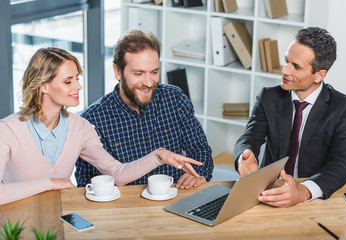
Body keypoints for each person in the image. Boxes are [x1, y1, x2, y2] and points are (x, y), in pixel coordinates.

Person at [0, 47, 204, 205]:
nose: (78, 86)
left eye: (77, 79)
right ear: (44, 85)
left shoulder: (81, 128)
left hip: (60, 216)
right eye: (68, 81)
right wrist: (49, 184)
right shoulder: (7, 131)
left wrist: (158, 156)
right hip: (14, 226)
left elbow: (117, 174)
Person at [234, 27, 346, 207]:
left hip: (315, 197)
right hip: (269, 194)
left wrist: (304, 191)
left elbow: (342, 163)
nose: (285, 71)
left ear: (319, 75)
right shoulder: (268, 97)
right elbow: (249, 137)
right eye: (286, 61)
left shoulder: (344, 108)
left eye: (296, 66)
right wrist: (244, 156)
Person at [75, 30, 213, 189]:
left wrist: (197, 174)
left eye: (154, 72)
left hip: (175, 196)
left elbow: (200, 150)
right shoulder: (92, 119)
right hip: (123, 207)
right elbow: (85, 183)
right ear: (117, 72)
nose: (148, 82)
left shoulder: (174, 98)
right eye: (139, 73)